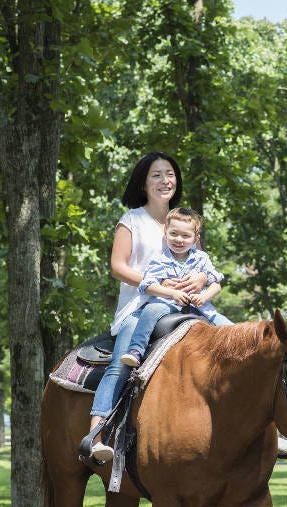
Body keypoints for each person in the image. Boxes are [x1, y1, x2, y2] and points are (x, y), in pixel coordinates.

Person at [87, 152, 207, 462]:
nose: (165, 180)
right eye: (156, 175)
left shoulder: (183, 220)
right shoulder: (132, 220)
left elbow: (199, 264)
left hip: (182, 308)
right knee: (122, 362)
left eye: (170, 174)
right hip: (140, 308)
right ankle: (96, 432)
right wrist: (157, 285)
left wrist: (198, 280)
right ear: (143, 182)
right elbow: (118, 267)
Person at [119, 206, 233, 368]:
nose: (179, 239)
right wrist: (172, 293)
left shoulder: (201, 258)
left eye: (186, 236)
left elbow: (216, 284)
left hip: (199, 305)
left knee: (230, 328)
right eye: (174, 234)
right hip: (167, 303)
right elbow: (147, 285)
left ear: (195, 239)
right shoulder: (160, 260)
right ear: (165, 234)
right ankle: (136, 349)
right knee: (150, 311)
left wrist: (204, 297)